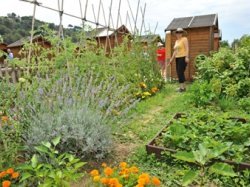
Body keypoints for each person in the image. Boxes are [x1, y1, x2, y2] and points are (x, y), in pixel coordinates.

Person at [169, 28, 189, 92]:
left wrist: (187, 57)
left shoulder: (184, 39)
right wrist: (171, 59)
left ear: (182, 33)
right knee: (179, 72)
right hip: (177, 58)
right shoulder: (176, 41)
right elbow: (175, 51)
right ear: (176, 34)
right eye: (177, 32)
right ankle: (183, 87)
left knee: (180, 72)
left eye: (180, 32)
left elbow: (187, 48)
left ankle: (182, 88)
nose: (179, 34)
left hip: (183, 57)